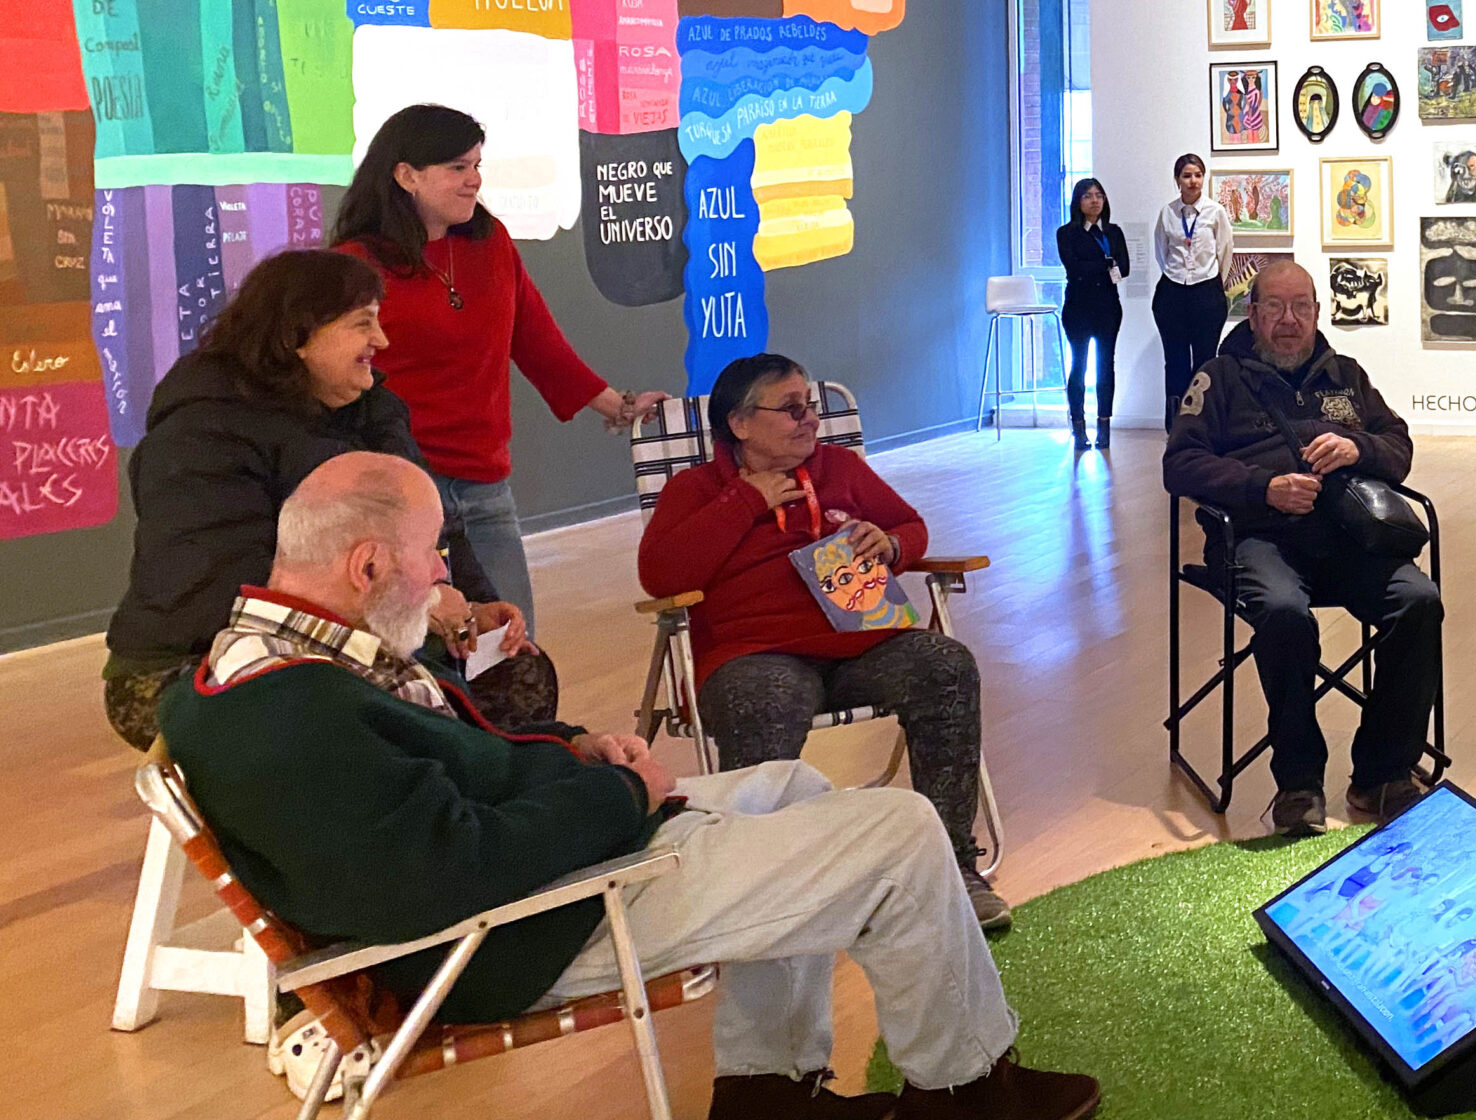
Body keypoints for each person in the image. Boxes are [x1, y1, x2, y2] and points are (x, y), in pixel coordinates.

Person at [159, 453, 1100, 1120]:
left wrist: (577, 749)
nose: (446, 571)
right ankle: (968, 1094)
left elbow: (455, 763)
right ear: (367, 565)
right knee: (896, 831)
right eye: (433, 551)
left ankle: (767, 1092)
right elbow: (449, 873)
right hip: (517, 934)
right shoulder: (287, 714)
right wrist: (628, 799)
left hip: (543, 880)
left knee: (792, 784)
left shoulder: (284, 657)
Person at [101, 247, 542, 749]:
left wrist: (475, 604)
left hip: (348, 637)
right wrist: (417, 604)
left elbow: (433, 526)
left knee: (515, 677)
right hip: (193, 662)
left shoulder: (372, 410)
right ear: (299, 338)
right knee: (395, 717)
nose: (382, 340)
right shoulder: (202, 430)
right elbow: (222, 584)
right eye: (363, 324)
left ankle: (486, 800)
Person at [637, 353, 1009, 931]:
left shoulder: (839, 468)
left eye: (809, 405)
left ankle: (951, 868)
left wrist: (888, 543)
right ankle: (775, 887)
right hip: (756, 653)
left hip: (862, 644)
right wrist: (747, 501)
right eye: (790, 410)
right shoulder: (696, 489)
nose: (810, 419)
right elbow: (662, 576)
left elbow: (911, 526)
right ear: (739, 423)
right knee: (760, 700)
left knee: (945, 665)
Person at [333, 103, 667, 635]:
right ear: (406, 175)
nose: (474, 181)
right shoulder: (355, 264)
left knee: (512, 643)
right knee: (427, 649)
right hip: (400, 485)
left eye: (476, 165)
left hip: (485, 481)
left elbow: (536, 341)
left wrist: (619, 406)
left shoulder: (490, 244)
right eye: (457, 168)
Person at [1164, 260, 1441, 834]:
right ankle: (1298, 780)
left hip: (1348, 541)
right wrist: (1261, 487)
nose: (1289, 321)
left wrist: (1357, 448)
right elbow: (1180, 464)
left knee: (1419, 600)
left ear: (1318, 312)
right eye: (1276, 307)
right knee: (1286, 615)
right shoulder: (1218, 378)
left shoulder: (1346, 374)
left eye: (1301, 308)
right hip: (1257, 539)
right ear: (1254, 312)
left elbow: (1398, 446)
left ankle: (1382, 774)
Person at [1151, 152, 1231, 429]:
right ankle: (1175, 426)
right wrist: (1177, 276)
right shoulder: (1168, 212)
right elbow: (1162, 252)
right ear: (1177, 180)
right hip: (1172, 292)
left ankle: (1205, 424)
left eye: (1197, 175)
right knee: (1174, 361)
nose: (1193, 181)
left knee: (1205, 360)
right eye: (1187, 176)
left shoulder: (1215, 212)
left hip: (1206, 291)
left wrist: (1209, 281)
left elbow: (1225, 253)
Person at [1054, 178, 1128, 455]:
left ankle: (1104, 425)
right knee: (1079, 365)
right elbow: (1074, 268)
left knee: (1105, 365)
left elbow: (1126, 267)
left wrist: (1099, 265)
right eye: (1088, 196)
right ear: (1078, 201)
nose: (1095, 200)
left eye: (1099, 195)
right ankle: (1079, 426)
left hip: (1108, 307)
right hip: (1078, 308)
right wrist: (1106, 263)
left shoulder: (1114, 232)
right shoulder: (1067, 233)